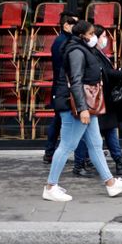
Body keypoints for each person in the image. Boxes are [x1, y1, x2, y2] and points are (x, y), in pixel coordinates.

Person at [42, 20, 122, 202]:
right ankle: (50, 186)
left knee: (95, 145)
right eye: (92, 33)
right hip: (76, 106)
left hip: (84, 105)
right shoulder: (76, 51)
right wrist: (82, 109)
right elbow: (76, 81)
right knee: (67, 145)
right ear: (82, 35)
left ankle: (110, 183)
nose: (94, 37)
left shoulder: (83, 49)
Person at [44, 11, 92, 178]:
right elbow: (69, 72)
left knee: (59, 123)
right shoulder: (63, 43)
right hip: (66, 90)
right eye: (74, 24)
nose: (77, 28)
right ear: (66, 25)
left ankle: (51, 153)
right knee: (71, 130)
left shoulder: (65, 41)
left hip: (63, 89)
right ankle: (78, 162)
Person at [91, 24, 122, 175]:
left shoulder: (98, 53)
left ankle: (118, 160)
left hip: (104, 99)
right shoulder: (94, 54)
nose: (106, 39)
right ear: (95, 38)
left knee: (110, 129)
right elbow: (106, 73)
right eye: (103, 36)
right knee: (90, 133)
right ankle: (82, 162)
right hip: (98, 99)